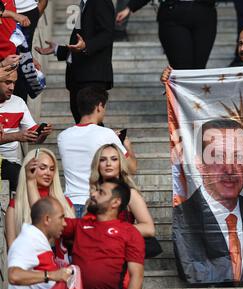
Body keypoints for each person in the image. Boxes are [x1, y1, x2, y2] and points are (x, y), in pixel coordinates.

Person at [173, 119, 243, 284]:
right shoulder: (184, 216)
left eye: (238, 156)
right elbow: (194, 271)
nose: (230, 169)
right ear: (199, 163)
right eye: (218, 157)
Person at [57, 86, 137, 218]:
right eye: (104, 107)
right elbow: (132, 167)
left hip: (69, 205)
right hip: (96, 203)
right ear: (99, 106)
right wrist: (127, 146)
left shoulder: (62, 136)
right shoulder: (106, 134)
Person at [62, 178, 145, 289]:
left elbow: (136, 276)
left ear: (115, 202)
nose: (93, 194)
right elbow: (45, 220)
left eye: (101, 192)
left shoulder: (130, 232)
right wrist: (32, 183)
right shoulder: (79, 225)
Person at [35, 0, 115, 123]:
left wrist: (86, 45)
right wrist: (58, 49)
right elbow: (80, 43)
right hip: (80, 76)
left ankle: (108, 142)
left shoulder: (100, 2)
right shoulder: (85, 4)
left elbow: (107, 34)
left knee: (90, 124)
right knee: (83, 123)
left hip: (92, 76)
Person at [5, 148, 75, 250]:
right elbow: (12, 247)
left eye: (52, 169)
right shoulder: (15, 206)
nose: (48, 173)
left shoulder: (65, 203)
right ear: (30, 169)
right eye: (43, 168)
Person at [116, 0, 217, 69]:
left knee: (199, 69)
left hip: (205, 14)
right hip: (173, 14)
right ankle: (180, 100)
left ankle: (193, 100)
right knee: (182, 68)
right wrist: (130, 7)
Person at [7, 197, 72, 289]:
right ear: (47, 219)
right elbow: (14, 275)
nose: (64, 223)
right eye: (61, 217)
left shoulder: (38, 239)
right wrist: (51, 275)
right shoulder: (27, 241)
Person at [0, 69, 52, 193]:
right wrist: (17, 136)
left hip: (13, 165)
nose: (12, 87)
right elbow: (20, 136)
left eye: (14, 82)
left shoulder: (18, 102)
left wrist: (43, 134)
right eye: (7, 82)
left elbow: (35, 139)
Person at [89, 143, 155, 237]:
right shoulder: (94, 192)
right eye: (102, 160)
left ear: (121, 163)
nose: (108, 164)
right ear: (97, 165)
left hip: (122, 248)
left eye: (114, 159)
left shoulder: (131, 193)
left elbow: (149, 229)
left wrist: (112, 229)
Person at [13, 0, 48, 102]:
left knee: (22, 66)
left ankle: (19, 113)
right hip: (6, 13)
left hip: (27, 10)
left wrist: (36, 12)